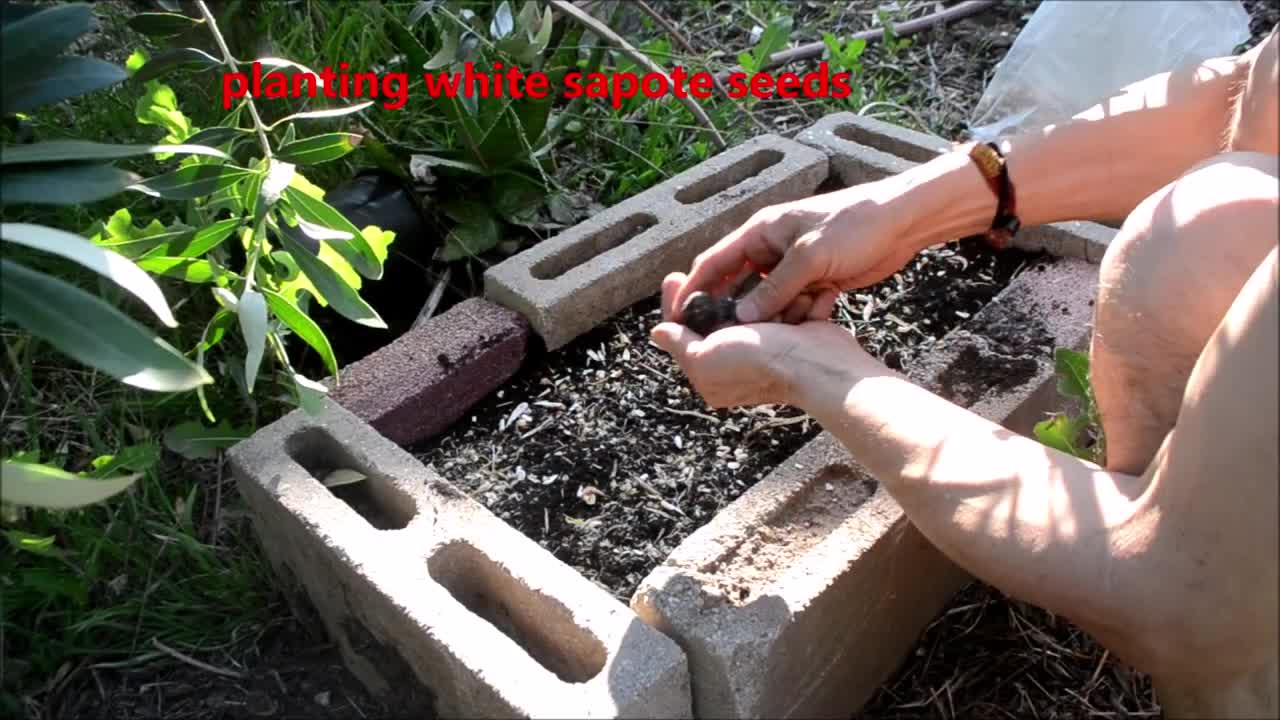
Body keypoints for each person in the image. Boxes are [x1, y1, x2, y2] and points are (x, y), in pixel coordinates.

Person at [651, 27, 1279, 720]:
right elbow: (1258, 93)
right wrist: (904, 207)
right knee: (1203, 237)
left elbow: (1181, 595)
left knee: (1214, 611)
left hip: (1186, 594)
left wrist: (817, 369)